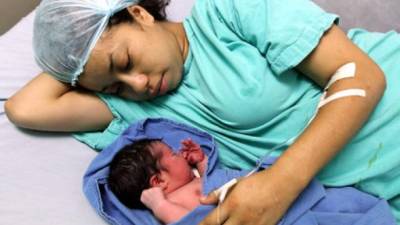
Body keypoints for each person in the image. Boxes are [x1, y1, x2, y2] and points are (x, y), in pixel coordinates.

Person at [4, 0, 400, 224]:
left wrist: (279, 185)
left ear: (140, 13)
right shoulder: (143, 110)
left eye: (125, 58)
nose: (136, 83)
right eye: (114, 84)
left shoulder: (228, 12)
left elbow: (359, 74)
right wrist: (75, 55)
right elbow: (25, 108)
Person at [108, 138, 207, 224]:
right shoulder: (168, 205)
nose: (180, 153)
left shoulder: (191, 181)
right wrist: (160, 205)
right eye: (174, 154)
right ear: (159, 181)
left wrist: (200, 161)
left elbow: (210, 179)